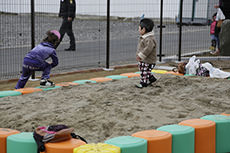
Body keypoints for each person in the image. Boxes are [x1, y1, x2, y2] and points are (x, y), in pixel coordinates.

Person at [135, 18, 157, 88]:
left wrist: (141, 55)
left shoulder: (149, 39)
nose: (138, 30)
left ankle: (143, 83)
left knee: (143, 71)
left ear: (143, 29)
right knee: (146, 70)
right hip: (146, 60)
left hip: (147, 60)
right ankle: (151, 78)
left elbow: (148, 49)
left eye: (139, 29)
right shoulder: (146, 37)